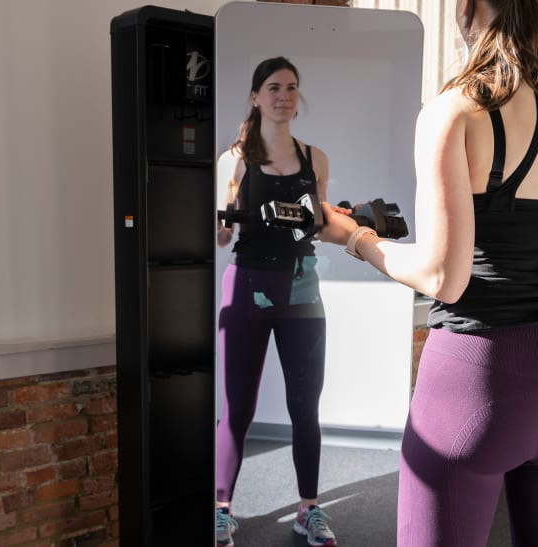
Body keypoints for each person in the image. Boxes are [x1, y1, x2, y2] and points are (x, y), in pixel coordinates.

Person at [316, 0, 538, 545]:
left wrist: (357, 239)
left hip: (479, 378)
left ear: (466, 9)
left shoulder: (454, 111)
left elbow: (443, 276)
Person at [214, 56, 339, 547]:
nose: (283, 96)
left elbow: (324, 226)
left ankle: (308, 509)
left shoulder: (316, 159)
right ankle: (222, 509)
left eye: (290, 87)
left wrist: (359, 226)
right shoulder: (236, 159)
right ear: (255, 96)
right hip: (247, 284)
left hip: (302, 288)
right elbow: (223, 237)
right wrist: (224, 219)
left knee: (305, 405)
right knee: (238, 406)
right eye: (272, 87)